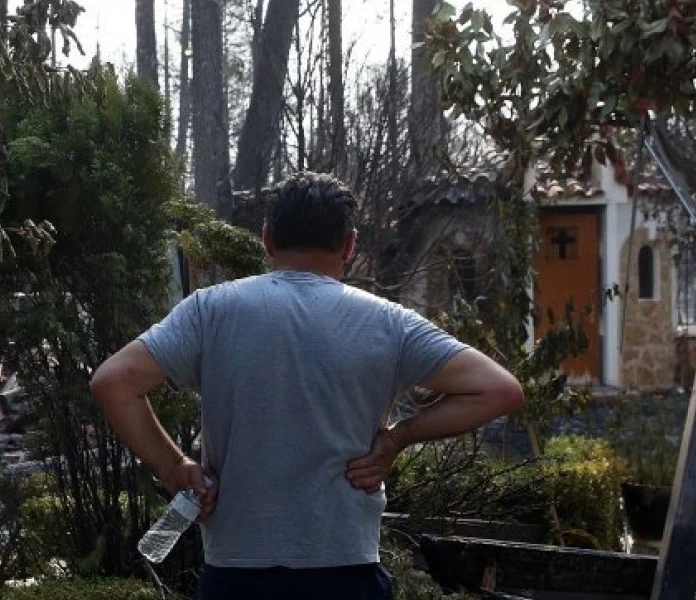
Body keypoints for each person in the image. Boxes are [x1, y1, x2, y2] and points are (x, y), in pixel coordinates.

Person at [90, 172, 524, 599]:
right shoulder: (389, 323)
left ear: (267, 239)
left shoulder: (211, 311)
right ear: (350, 245)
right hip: (346, 571)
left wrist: (173, 468)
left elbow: (114, 382)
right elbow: (499, 389)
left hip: (237, 573)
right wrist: (398, 438)